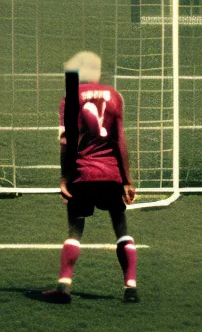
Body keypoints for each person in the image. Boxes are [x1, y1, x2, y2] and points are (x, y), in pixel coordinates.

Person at [43, 51, 139, 304]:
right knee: (121, 229)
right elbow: (120, 140)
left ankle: (63, 289)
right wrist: (126, 180)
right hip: (111, 174)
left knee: (75, 231)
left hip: (83, 174)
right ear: (96, 73)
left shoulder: (69, 98)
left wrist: (64, 178)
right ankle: (130, 288)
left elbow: (67, 142)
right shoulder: (115, 96)